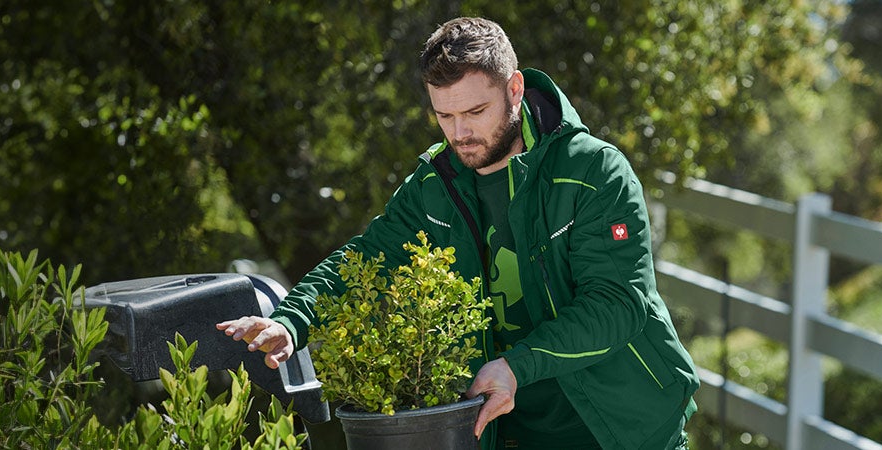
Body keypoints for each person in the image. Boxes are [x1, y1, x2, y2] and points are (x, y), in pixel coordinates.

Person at [217, 17, 698, 450]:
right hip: (510, 434)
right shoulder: (435, 185)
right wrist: (291, 321)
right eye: (444, 116)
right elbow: (366, 258)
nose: (460, 133)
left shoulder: (594, 170)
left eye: (474, 112)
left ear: (514, 89)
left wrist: (517, 366)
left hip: (627, 429)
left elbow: (617, 303)